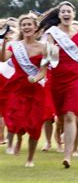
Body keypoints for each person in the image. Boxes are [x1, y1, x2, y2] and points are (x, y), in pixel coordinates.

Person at [38, 1, 78, 168]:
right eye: (63, 11)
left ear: (73, 15)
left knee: (70, 115)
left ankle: (67, 156)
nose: (66, 14)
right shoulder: (53, 32)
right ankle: (62, 143)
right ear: (59, 15)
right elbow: (49, 57)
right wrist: (52, 52)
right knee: (60, 117)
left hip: (75, 78)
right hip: (56, 78)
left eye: (69, 11)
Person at [0, 13, 47, 167]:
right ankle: (18, 139)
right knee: (15, 118)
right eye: (24, 25)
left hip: (35, 89)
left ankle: (30, 159)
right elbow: (3, 58)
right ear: (21, 28)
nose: (26, 27)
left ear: (35, 27)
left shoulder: (44, 47)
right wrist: (3, 44)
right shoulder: (15, 46)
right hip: (17, 87)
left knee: (34, 125)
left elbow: (43, 71)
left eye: (29, 24)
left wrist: (36, 79)